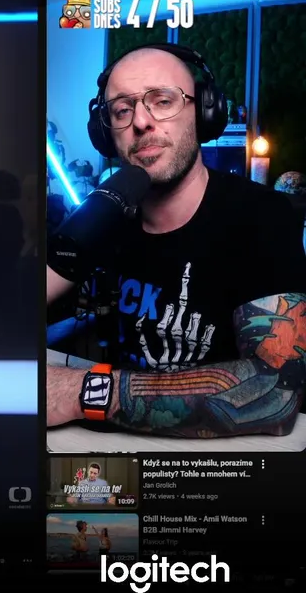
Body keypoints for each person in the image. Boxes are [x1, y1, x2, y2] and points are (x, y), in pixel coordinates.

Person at [46, 43, 306, 438]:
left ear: (203, 114)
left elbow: (275, 390)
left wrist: (80, 392)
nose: (141, 121)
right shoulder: (107, 216)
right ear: (104, 133)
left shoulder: (262, 215)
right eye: (122, 110)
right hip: (115, 447)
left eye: (162, 101)